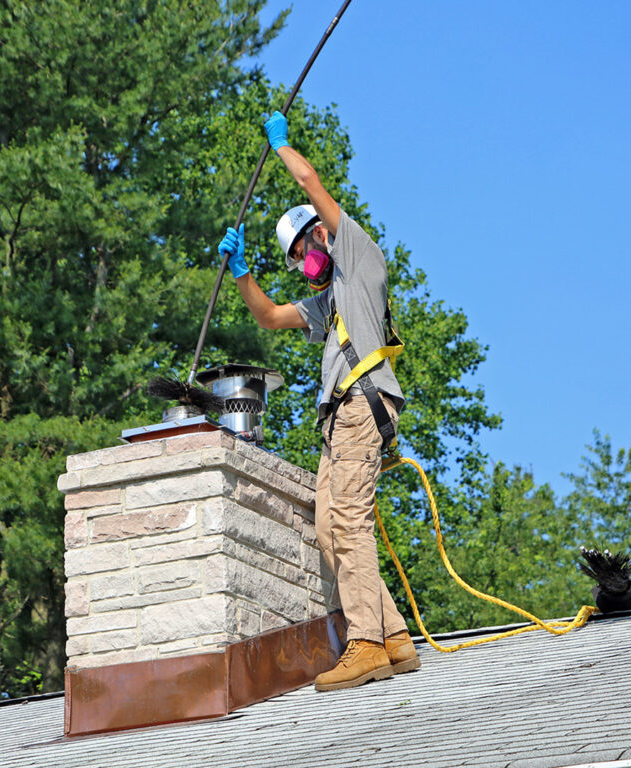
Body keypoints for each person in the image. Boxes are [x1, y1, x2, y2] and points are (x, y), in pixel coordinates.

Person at [217, 111, 420, 692]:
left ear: (323, 235)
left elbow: (310, 185)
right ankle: (393, 635)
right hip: (337, 419)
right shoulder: (327, 301)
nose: (305, 258)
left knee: (349, 520)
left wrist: (280, 146)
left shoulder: (357, 259)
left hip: (363, 401)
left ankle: (365, 644)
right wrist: (242, 275)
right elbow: (270, 315)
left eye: (306, 243)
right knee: (329, 528)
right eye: (296, 256)